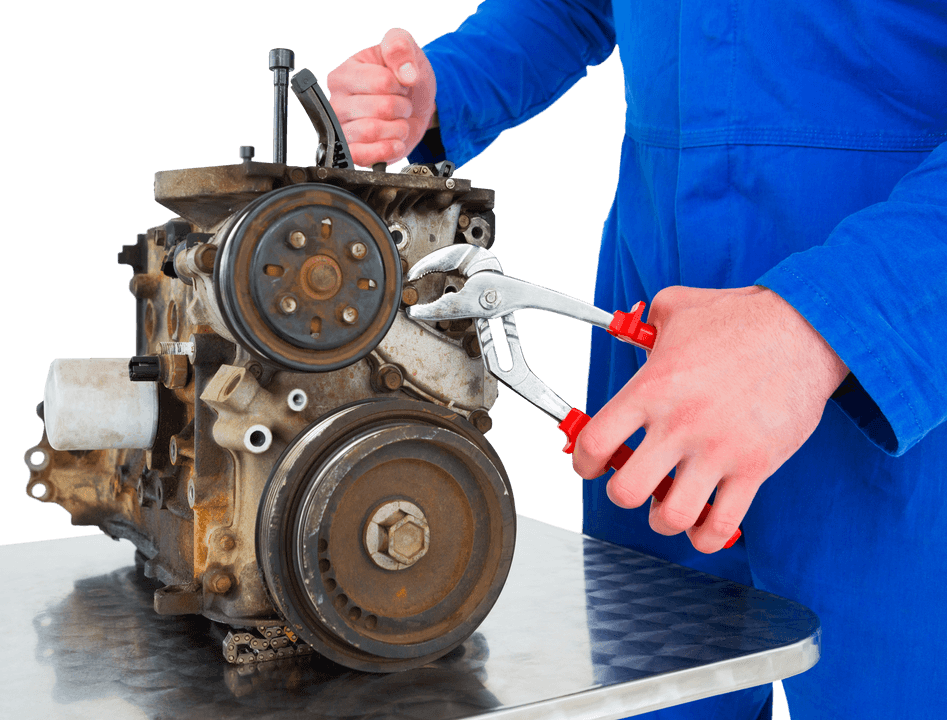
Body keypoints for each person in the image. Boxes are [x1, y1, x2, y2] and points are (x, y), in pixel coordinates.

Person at [327, 2, 946, 719]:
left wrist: (824, 324)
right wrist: (449, 87)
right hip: (657, 349)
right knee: (653, 693)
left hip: (899, 373)